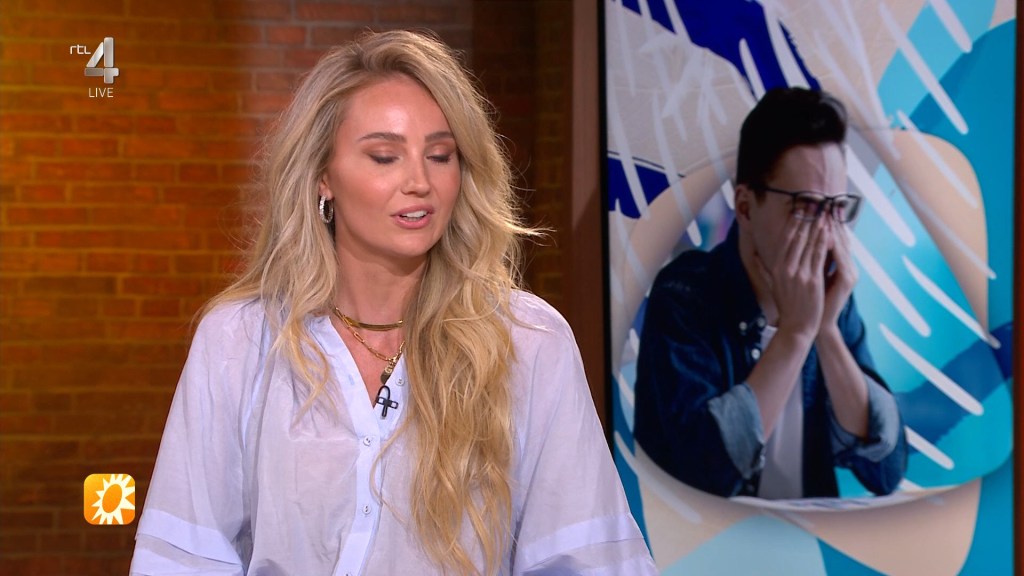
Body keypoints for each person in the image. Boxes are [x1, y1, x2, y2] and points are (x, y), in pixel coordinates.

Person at [130, 30, 657, 575]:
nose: (420, 182)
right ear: (322, 177)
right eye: (385, 156)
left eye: (441, 155)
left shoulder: (529, 342)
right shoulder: (239, 340)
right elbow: (182, 560)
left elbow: (589, 560)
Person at [633, 87, 907, 500]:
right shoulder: (686, 295)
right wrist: (795, 335)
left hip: (805, 539)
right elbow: (704, 474)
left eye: (836, 208)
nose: (826, 232)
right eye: (806, 206)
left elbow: (886, 470)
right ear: (745, 207)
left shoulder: (834, 299)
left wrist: (826, 332)